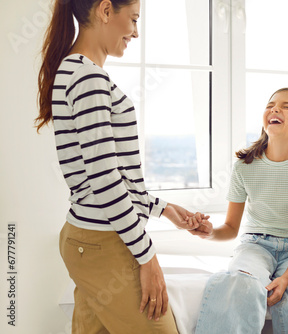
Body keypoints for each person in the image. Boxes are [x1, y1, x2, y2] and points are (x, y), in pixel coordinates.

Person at [35, 1, 208, 332]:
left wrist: (164, 208)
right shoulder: (87, 78)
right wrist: (147, 257)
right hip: (104, 243)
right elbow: (104, 179)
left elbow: (104, 176)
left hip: (89, 240)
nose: (135, 32)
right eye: (133, 19)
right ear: (105, 11)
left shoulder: (75, 71)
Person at [189, 88, 288, 333]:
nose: (275, 109)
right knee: (239, 285)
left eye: (286, 106)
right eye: (270, 105)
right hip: (255, 245)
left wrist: (286, 277)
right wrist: (209, 231)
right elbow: (231, 228)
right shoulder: (244, 167)